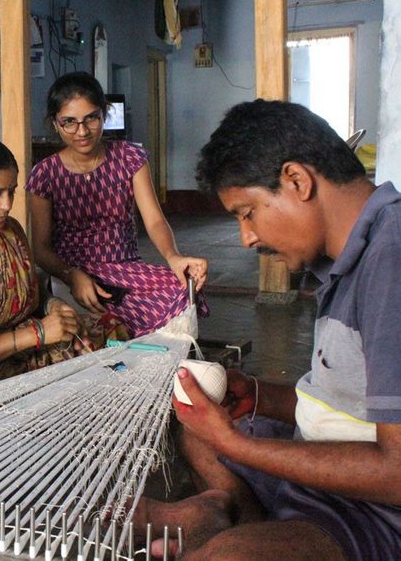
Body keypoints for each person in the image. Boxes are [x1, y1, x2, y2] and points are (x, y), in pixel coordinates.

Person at [134, 100, 401, 560]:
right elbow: (349, 404)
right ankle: (226, 513)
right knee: (199, 429)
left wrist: (234, 443)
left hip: (371, 512)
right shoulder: (345, 260)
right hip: (323, 478)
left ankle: (234, 532)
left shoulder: (391, 262)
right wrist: (257, 395)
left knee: (225, 556)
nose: (247, 238)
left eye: (247, 212)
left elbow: (397, 474)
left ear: (297, 181)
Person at [0, 137, 126, 389]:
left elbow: (28, 293)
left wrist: (53, 305)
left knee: (105, 329)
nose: (6, 205)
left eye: (11, 191)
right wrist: (35, 334)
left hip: (23, 346)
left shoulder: (10, 232)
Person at [26, 71, 209, 337]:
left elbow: (154, 219)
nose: (82, 131)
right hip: (77, 275)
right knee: (114, 327)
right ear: (55, 124)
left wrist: (173, 257)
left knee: (185, 290)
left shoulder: (129, 158)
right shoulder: (44, 174)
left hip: (127, 269)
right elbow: (40, 248)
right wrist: (71, 275)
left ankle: (159, 370)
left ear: (104, 113)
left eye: (91, 118)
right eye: (69, 122)